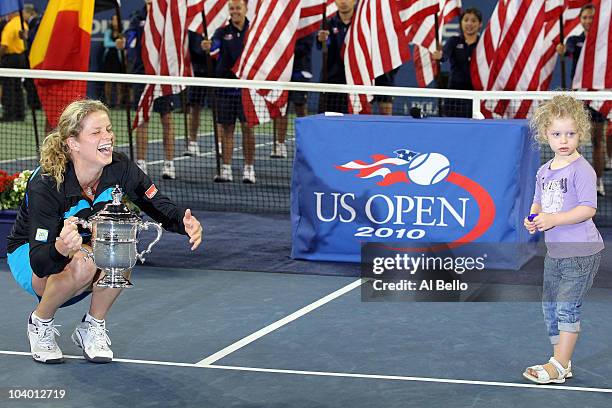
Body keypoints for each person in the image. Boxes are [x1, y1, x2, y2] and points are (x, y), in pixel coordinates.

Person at [6, 99, 203, 364]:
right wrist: (61, 248)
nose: (107, 137)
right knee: (84, 264)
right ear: (73, 143)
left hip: (83, 248)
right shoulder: (48, 183)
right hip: (33, 254)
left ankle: (92, 326)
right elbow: (41, 263)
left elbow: (155, 202)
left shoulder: (119, 168)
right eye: (96, 132)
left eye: (108, 129)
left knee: (120, 246)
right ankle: (40, 322)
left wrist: (183, 220)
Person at [522, 95, 604, 384]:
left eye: (570, 133)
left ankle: (558, 364)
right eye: (556, 134)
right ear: (546, 135)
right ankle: (560, 362)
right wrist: (534, 218)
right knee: (551, 306)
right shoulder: (544, 171)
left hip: (581, 252)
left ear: (580, 133)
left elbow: (587, 209)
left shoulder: (582, 169)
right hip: (555, 252)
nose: (564, 139)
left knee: (567, 307)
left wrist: (554, 219)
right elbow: (537, 202)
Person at [556, 3, 607, 196]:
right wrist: (562, 51)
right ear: (580, 20)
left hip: (598, 96)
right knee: (571, 140)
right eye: (585, 17)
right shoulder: (574, 40)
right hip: (579, 97)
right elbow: (568, 51)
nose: (588, 21)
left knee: (597, 140)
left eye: (591, 18)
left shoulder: (604, 43)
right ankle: (572, 180)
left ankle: (598, 181)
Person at [202, 0, 255, 183]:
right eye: (232, 8)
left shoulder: (254, 29)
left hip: (246, 89)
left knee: (248, 129)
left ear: (246, 9)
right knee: (227, 129)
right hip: (225, 88)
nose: (235, 11)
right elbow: (215, 47)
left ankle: (249, 169)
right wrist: (209, 48)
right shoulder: (221, 32)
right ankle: (226, 168)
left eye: (238, 8)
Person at [124, 0, 177, 179]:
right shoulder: (136, 18)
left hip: (163, 75)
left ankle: (169, 163)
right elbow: (130, 40)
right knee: (142, 120)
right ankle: (141, 163)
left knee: (167, 120)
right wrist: (125, 43)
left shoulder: (167, 15)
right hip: (142, 75)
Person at [431, 8, 482, 118]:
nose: (469, 23)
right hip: (454, 95)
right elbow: (444, 55)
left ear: (480, 24)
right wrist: (440, 56)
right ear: (461, 23)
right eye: (466, 20)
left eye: (473, 21)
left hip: (475, 95)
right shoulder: (454, 41)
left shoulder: (482, 43)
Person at [272, 33, 315, 158]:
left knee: (300, 107)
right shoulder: (284, 26)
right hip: (283, 71)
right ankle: (280, 144)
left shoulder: (307, 26)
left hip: (300, 71)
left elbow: (305, 48)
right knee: (281, 108)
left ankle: (306, 144)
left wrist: (286, 49)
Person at [316, 0, 355, 114]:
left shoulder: (362, 24)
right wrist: (322, 40)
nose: (343, 2)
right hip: (331, 84)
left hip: (355, 84)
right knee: (328, 122)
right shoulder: (327, 23)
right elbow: (322, 44)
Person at [184, 28, 215, 157]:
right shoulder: (193, 28)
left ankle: (218, 144)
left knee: (218, 109)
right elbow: (189, 48)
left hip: (215, 72)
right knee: (194, 108)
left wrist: (211, 48)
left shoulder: (219, 25)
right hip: (197, 73)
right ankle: (192, 142)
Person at [0, 8, 34, 122]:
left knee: (8, 87)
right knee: (18, 87)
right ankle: (20, 114)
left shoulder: (9, 26)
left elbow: (4, 46)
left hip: (11, 59)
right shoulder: (22, 23)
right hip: (22, 58)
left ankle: (9, 115)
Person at [101, 14, 124, 107]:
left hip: (118, 60)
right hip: (109, 59)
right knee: (108, 82)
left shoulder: (122, 32)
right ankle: (108, 102)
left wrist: (119, 44)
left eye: (117, 19)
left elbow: (123, 45)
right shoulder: (108, 32)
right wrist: (117, 43)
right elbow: (106, 43)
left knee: (119, 83)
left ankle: (118, 103)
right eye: (114, 20)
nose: (115, 22)